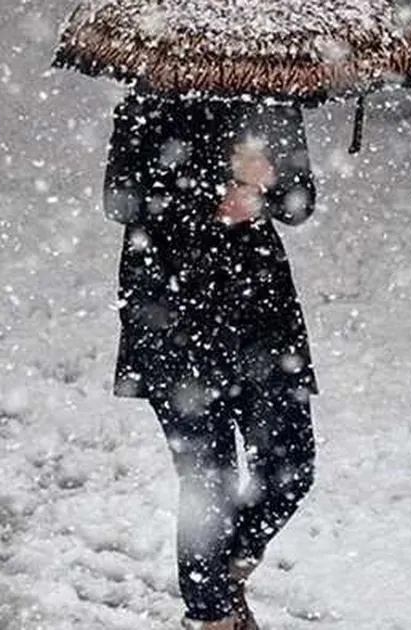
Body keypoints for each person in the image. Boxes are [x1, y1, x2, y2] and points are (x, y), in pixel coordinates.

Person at [104, 87, 318, 630]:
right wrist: (216, 186)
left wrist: (267, 189)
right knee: (209, 480)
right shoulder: (150, 99)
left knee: (291, 466)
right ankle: (212, 615)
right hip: (173, 315)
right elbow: (122, 201)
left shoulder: (270, 93)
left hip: (260, 316)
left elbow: (300, 201)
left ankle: (227, 572)